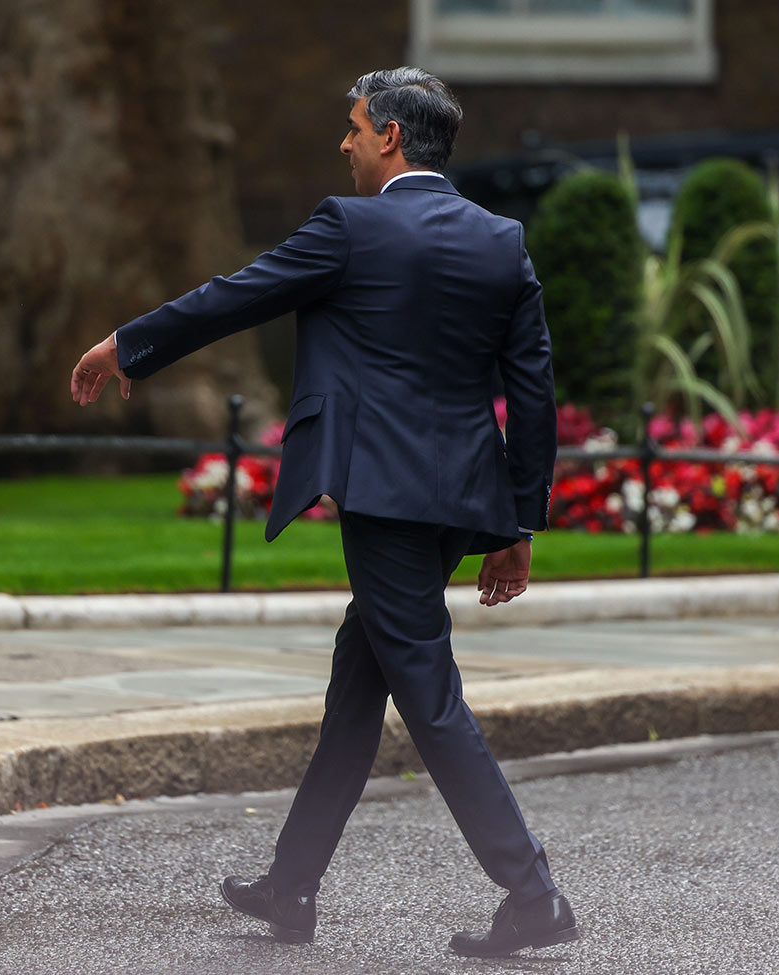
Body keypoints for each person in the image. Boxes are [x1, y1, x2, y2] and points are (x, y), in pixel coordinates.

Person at [69, 67, 577, 957]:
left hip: (383, 497)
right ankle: (290, 885)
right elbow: (532, 394)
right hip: (460, 499)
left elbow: (238, 293)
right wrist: (518, 525)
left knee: (431, 697)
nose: (342, 144)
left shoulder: (352, 227)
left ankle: (532, 892)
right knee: (361, 679)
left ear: (389, 136)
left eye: (351, 128)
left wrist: (128, 343)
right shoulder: (502, 240)